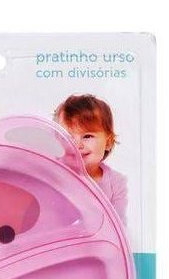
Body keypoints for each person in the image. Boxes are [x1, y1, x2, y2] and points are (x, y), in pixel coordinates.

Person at [54, 94, 128, 226]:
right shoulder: (54, 175)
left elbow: (119, 227)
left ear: (108, 142)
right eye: (68, 137)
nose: (77, 145)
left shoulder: (116, 183)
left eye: (87, 136)